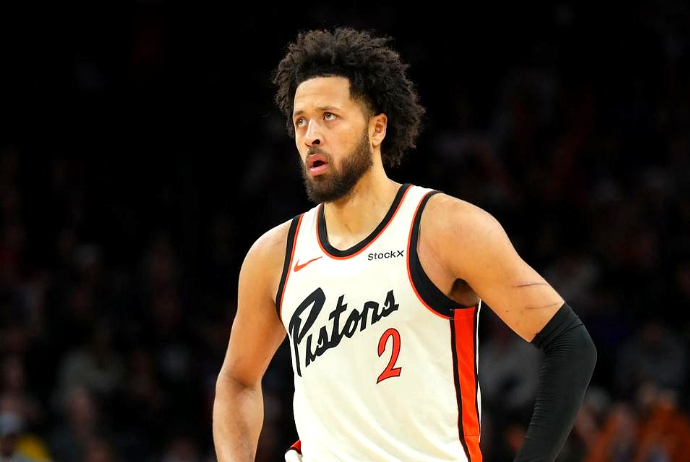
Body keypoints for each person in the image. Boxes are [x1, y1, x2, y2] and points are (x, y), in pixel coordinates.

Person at [212, 26, 597, 462]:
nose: (311, 135)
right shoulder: (273, 255)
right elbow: (237, 381)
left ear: (377, 128)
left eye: (329, 116)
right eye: (301, 120)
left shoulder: (446, 228)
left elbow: (570, 344)